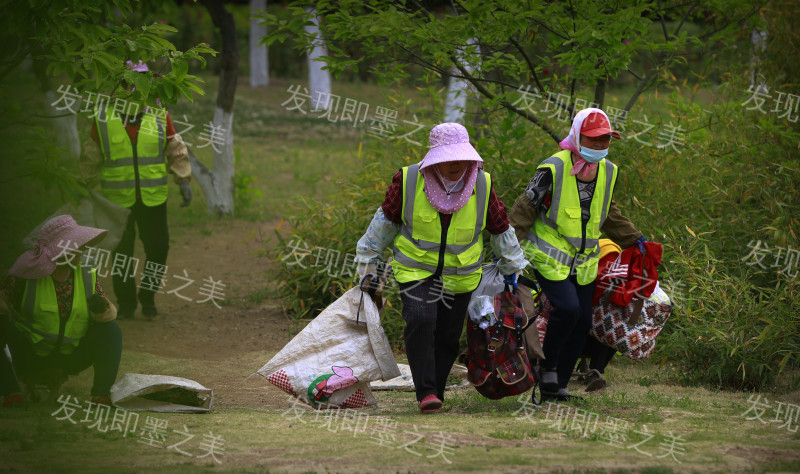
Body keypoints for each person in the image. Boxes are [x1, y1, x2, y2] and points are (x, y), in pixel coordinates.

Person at [355, 122, 528, 414]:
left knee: (448, 336)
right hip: (416, 271)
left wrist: (513, 266)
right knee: (420, 320)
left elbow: (500, 228)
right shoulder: (409, 180)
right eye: (448, 158)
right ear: (434, 159)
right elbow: (383, 224)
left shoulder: (482, 184)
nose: (455, 163)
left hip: (461, 276)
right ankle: (426, 393)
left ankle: (435, 389)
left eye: (461, 157)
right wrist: (368, 264)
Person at [509, 108, 646, 401]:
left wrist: (635, 239)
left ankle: (556, 384)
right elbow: (523, 210)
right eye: (593, 138)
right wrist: (508, 253)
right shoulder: (552, 168)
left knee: (583, 321)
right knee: (568, 309)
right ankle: (546, 368)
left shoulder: (608, 171)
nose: (600, 144)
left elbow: (608, 212)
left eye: (605, 139)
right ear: (576, 136)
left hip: (584, 261)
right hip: (549, 256)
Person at [79, 60, 193, 320]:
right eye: (128, 83)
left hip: (153, 198)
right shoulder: (103, 117)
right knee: (121, 254)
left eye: (140, 82)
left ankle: (148, 296)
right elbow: (90, 155)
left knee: (159, 248)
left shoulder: (159, 114)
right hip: (117, 201)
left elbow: (175, 148)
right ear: (118, 87)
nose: (133, 88)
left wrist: (183, 180)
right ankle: (127, 303)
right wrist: (81, 186)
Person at [0, 215, 121, 407]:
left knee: (111, 330)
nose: (81, 249)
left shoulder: (87, 274)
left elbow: (107, 311)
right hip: (28, 354)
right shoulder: (25, 275)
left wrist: (103, 310)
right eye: (75, 245)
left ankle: (101, 395)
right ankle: (11, 393)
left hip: (70, 356)